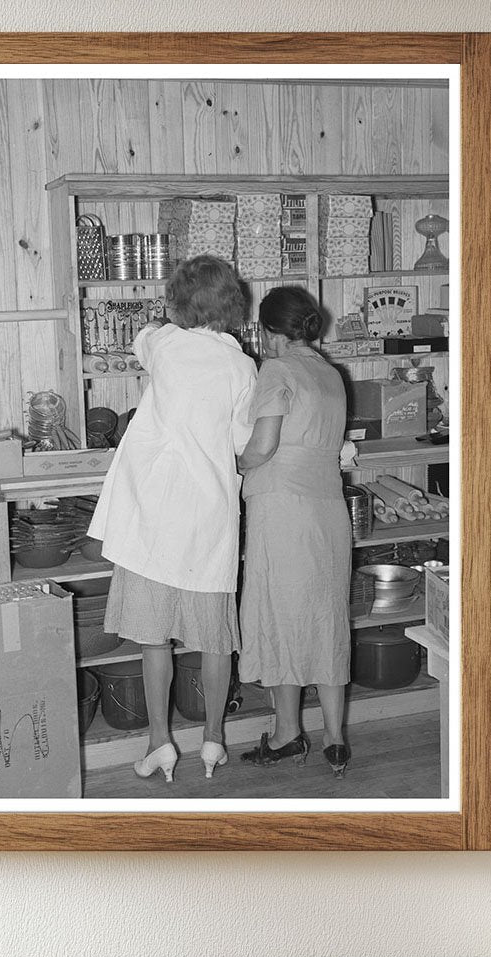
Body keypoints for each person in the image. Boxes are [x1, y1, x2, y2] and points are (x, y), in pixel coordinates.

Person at [88, 255, 256, 783]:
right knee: (214, 639)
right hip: (208, 517)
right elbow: (241, 444)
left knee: (153, 639)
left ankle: (159, 741)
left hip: (153, 517)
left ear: (177, 303)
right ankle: (213, 740)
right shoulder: (243, 366)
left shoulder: (162, 345)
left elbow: (144, 337)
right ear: (232, 306)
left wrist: (164, 320)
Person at [237, 286, 356, 778]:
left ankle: (287, 734)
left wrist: (233, 463)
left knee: (279, 615)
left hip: (282, 508)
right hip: (328, 510)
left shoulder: (277, 370)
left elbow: (262, 446)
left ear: (270, 332)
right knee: (328, 617)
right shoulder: (332, 374)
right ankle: (335, 739)